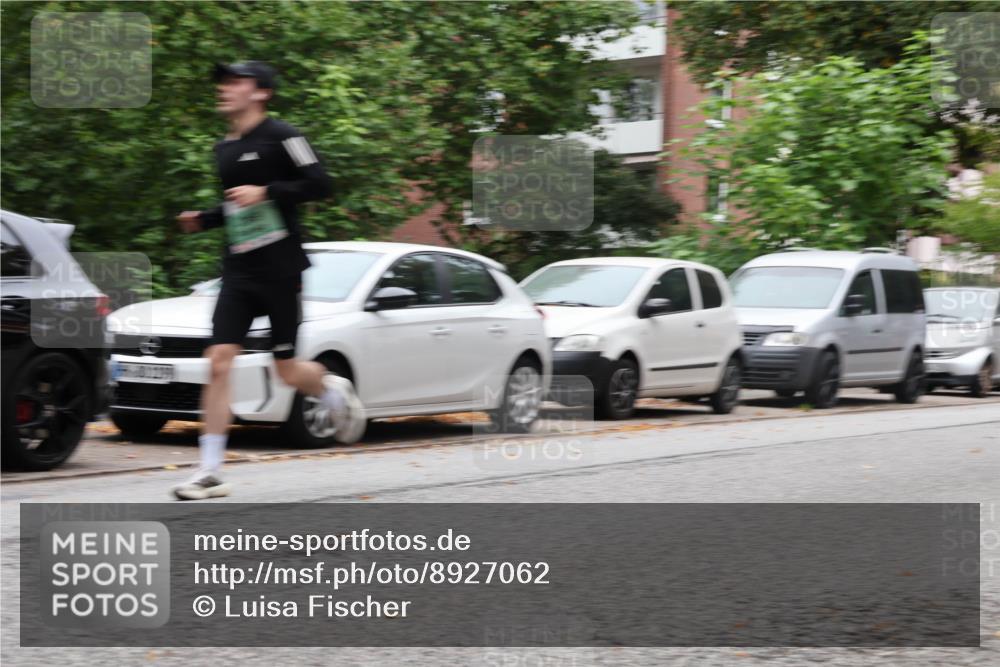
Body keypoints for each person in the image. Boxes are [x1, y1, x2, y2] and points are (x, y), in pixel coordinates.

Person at [172, 61, 364, 500]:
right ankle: (209, 471)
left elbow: (320, 183)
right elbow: (241, 208)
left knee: (286, 371)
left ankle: (331, 387)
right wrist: (204, 219)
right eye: (222, 82)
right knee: (218, 361)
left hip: (281, 270)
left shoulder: (285, 136)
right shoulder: (223, 148)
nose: (224, 89)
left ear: (260, 92)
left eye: (234, 82)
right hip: (239, 271)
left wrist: (269, 190)